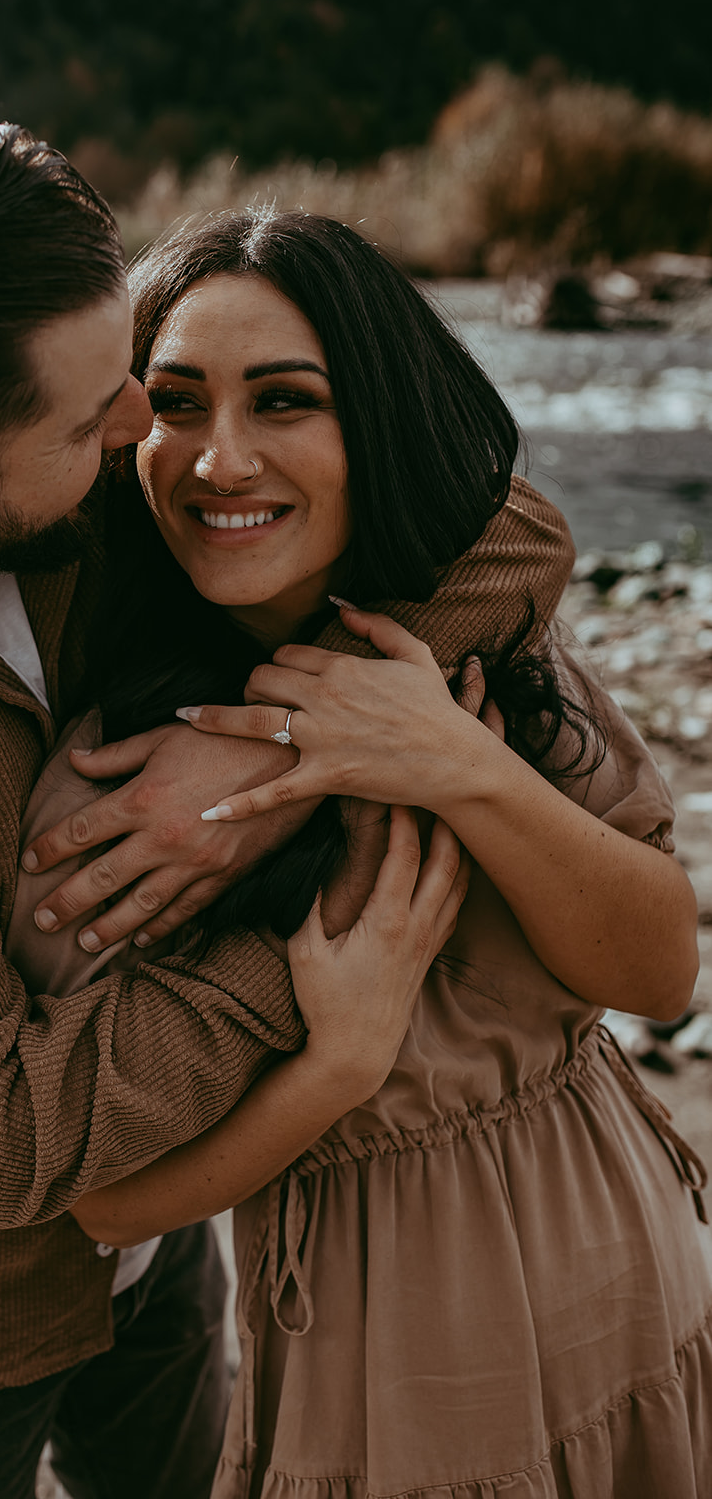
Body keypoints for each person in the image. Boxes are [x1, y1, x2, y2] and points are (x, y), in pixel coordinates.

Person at [0, 107, 571, 1499]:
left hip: (169, 1206)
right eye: (103, 418)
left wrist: (279, 759)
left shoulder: (40, 410)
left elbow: (511, 532)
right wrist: (317, 971)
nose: (157, 438)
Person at [42, 209, 710, 1497]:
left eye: (286, 401)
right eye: (175, 402)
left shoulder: (477, 650)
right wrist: (335, 1066)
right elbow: (109, 1206)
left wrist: (455, 763)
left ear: (378, 422)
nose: (219, 459)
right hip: (378, 1338)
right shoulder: (122, 761)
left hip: (618, 1250)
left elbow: (658, 970)